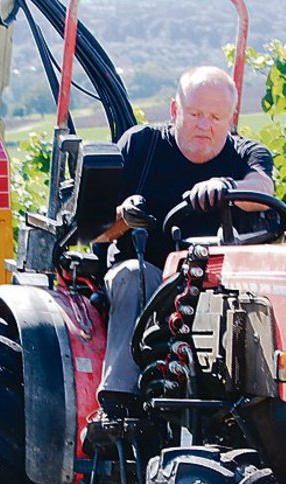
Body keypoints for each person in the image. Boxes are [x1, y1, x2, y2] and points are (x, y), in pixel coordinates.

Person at [94, 66, 275, 413]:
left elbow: (263, 189)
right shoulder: (141, 146)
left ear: (230, 119)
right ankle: (119, 402)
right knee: (137, 276)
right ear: (176, 110)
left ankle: (256, 409)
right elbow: (96, 230)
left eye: (215, 117)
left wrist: (229, 189)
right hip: (146, 274)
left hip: (215, 283)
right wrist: (125, 217)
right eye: (195, 114)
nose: (204, 125)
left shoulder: (247, 155)